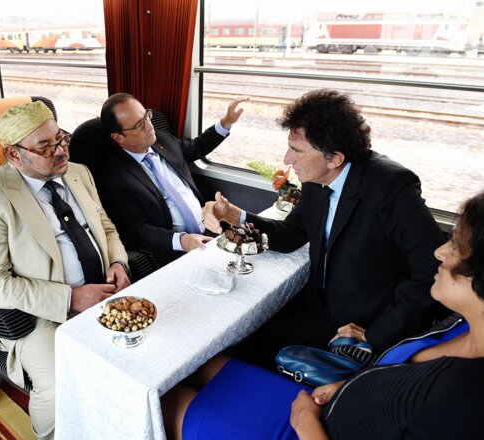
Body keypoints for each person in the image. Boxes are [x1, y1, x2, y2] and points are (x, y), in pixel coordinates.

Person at [164, 191, 484, 440]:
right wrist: (346, 384)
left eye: (457, 247)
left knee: (164, 398)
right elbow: (402, 373)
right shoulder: (460, 324)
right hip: (334, 401)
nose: (439, 252)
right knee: (196, 365)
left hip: (310, 428)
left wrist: (306, 423)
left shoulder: (464, 403)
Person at [203, 89, 445, 365]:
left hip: (362, 324)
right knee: (235, 341)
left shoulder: (391, 187)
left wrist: (378, 333)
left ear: (335, 159)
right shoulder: (316, 181)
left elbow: (433, 270)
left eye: (296, 150)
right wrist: (236, 215)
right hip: (319, 305)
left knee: (242, 356)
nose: (286, 159)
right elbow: (290, 235)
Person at [0, 101, 130, 440]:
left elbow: (106, 226)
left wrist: (118, 262)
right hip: (42, 315)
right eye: (45, 147)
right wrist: (69, 297)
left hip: (107, 290)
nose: (60, 151)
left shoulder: (78, 172)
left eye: (61, 139)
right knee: (57, 386)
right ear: (14, 155)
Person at [96, 93, 248, 256]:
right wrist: (183, 241)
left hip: (211, 228)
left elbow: (197, 147)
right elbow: (137, 230)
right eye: (140, 124)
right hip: (175, 249)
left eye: (147, 115)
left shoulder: (162, 140)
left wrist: (226, 122)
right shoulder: (114, 177)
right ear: (119, 137)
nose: (149, 125)